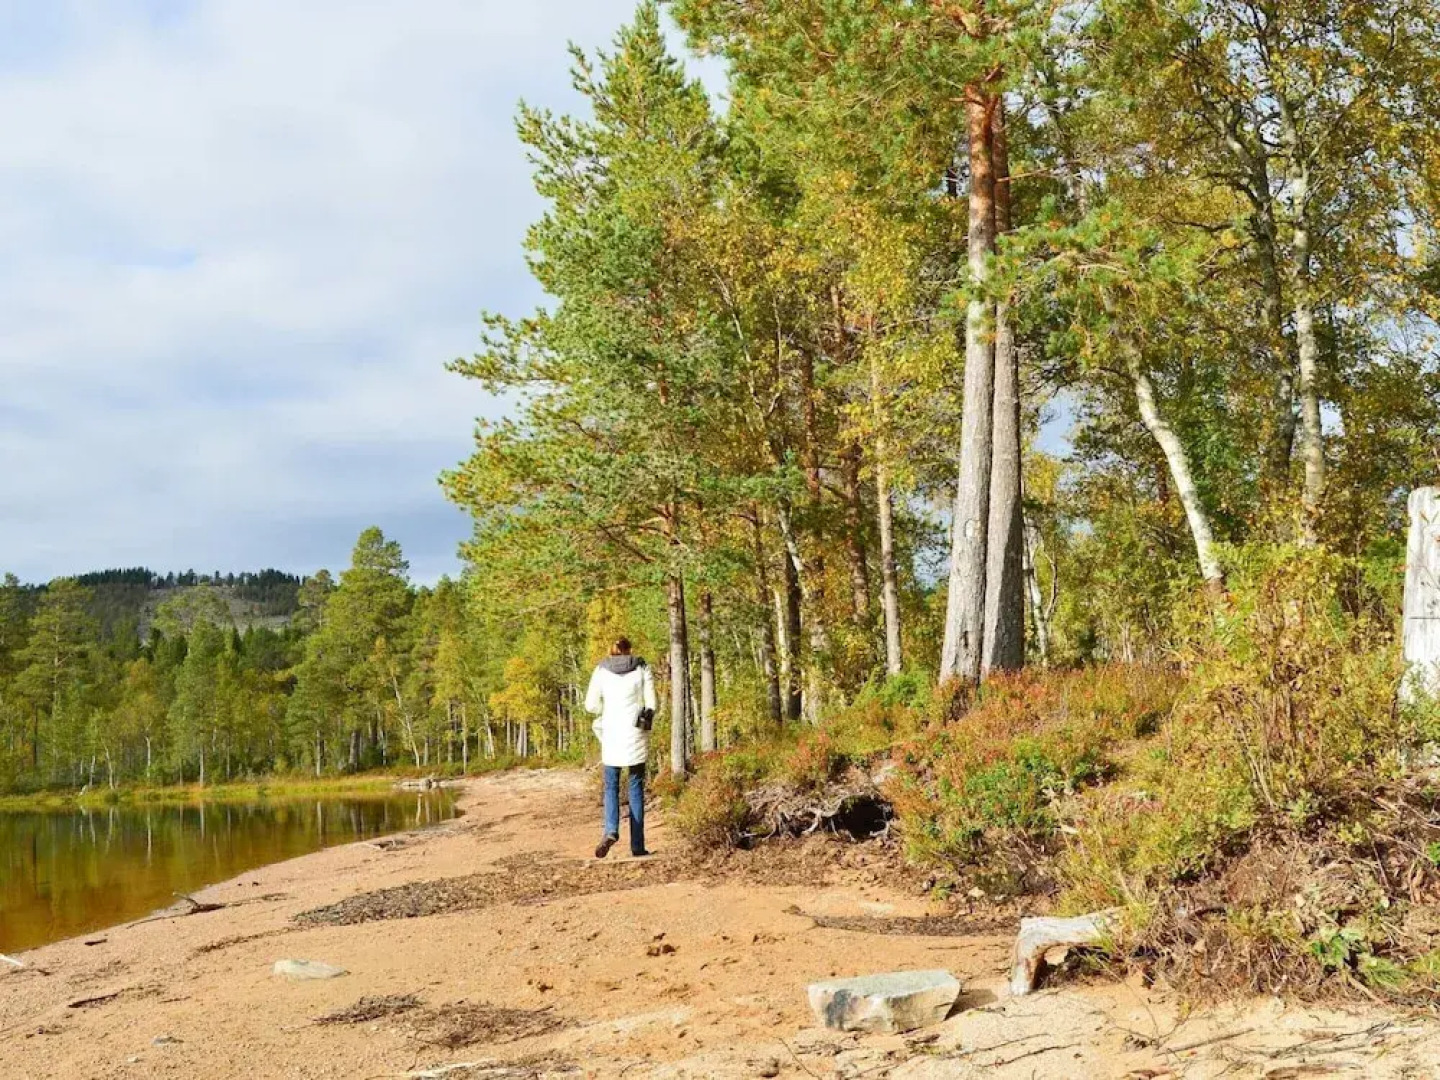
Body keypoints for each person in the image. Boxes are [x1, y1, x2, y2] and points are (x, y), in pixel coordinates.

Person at [583, 637, 657, 858]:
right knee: (635, 787)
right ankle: (637, 846)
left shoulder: (601, 670)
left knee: (611, 786)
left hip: (612, 733)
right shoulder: (642, 667)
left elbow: (591, 705)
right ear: (629, 650)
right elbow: (652, 703)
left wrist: (606, 707)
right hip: (635, 733)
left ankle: (611, 830)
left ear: (612, 651)